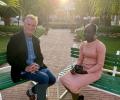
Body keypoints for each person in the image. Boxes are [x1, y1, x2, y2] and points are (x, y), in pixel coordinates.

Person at [7, 14, 56, 100]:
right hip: (22, 69)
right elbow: (10, 58)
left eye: (33, 25)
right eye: (28, 24)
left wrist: (37, 65)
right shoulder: (15, 39)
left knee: (52, 79)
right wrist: (25, 67)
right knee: (44, 78)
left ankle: (30, 92)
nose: (30, 27)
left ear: (36, 27)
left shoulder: (36, 40)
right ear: (24, 24)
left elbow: (40, 57)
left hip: (36, 67)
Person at [60, 23, 106, 100]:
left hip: (94, 72)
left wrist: (86, 72)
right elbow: (80, 59)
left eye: (89, 32)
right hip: (82, 69)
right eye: (85, 31)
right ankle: (77, 97)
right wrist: (76, 67)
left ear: (95, 33)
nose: (86, 34)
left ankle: (76, 97)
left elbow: (100, 65)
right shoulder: (83, 44)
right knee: (62, 79)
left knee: (73, 85)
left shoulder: (100, 46)